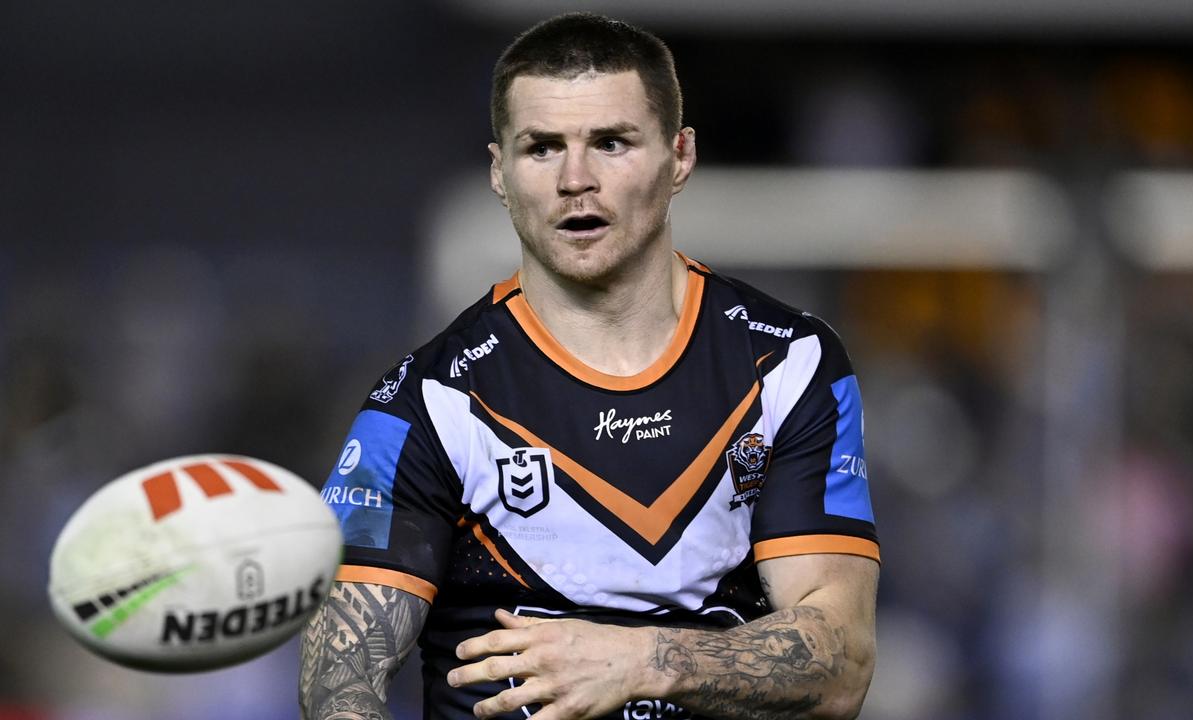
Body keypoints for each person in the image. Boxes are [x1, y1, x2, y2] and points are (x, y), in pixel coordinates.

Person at [299, 12, 879, 720]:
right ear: (499, 173)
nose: (577, 179)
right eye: (542, 149)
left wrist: (637, 661)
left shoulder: (787, 364)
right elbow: (339, 671)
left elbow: (842, 660)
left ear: (680, 156)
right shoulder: (426, 402)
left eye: (611, 143)